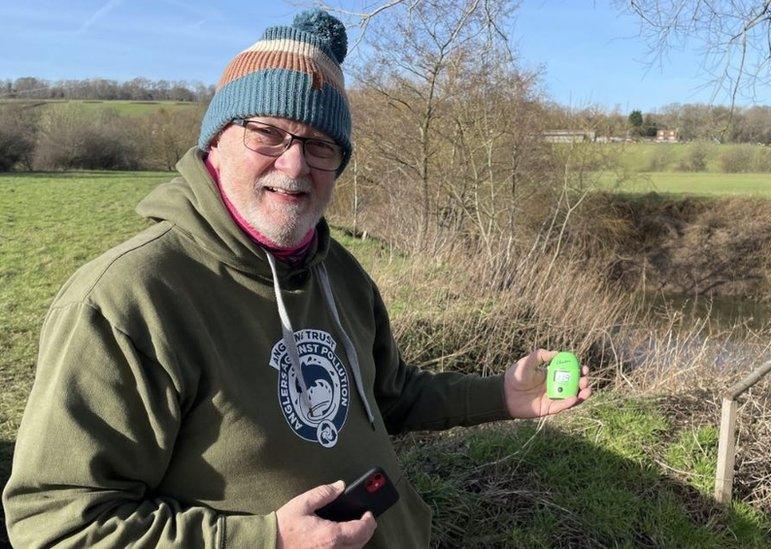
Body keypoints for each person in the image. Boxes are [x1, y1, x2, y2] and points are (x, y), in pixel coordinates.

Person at [2, 9, 591, 548]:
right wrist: (266, 541)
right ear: (215, 142)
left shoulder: (338, 272)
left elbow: (389, 396)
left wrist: (502, 394)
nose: (293, 164)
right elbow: (56, 523)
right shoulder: (129, 299)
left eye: (319, 145)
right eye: (268, 133)